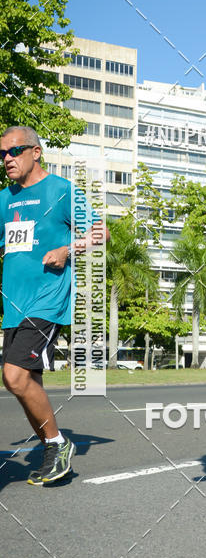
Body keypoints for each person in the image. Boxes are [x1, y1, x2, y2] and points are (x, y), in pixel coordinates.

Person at [0, 125, 108, 485]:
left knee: (13, 376)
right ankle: (53, 447)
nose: (7, 160)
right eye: (1, 154)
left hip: (47, 300)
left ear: (36, 152)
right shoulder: (5, 198)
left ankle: (57, 443)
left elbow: (99, 231)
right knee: (23, 383)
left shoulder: (61, 191)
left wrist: (67, 249)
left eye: (14, 151)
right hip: (13, 304)